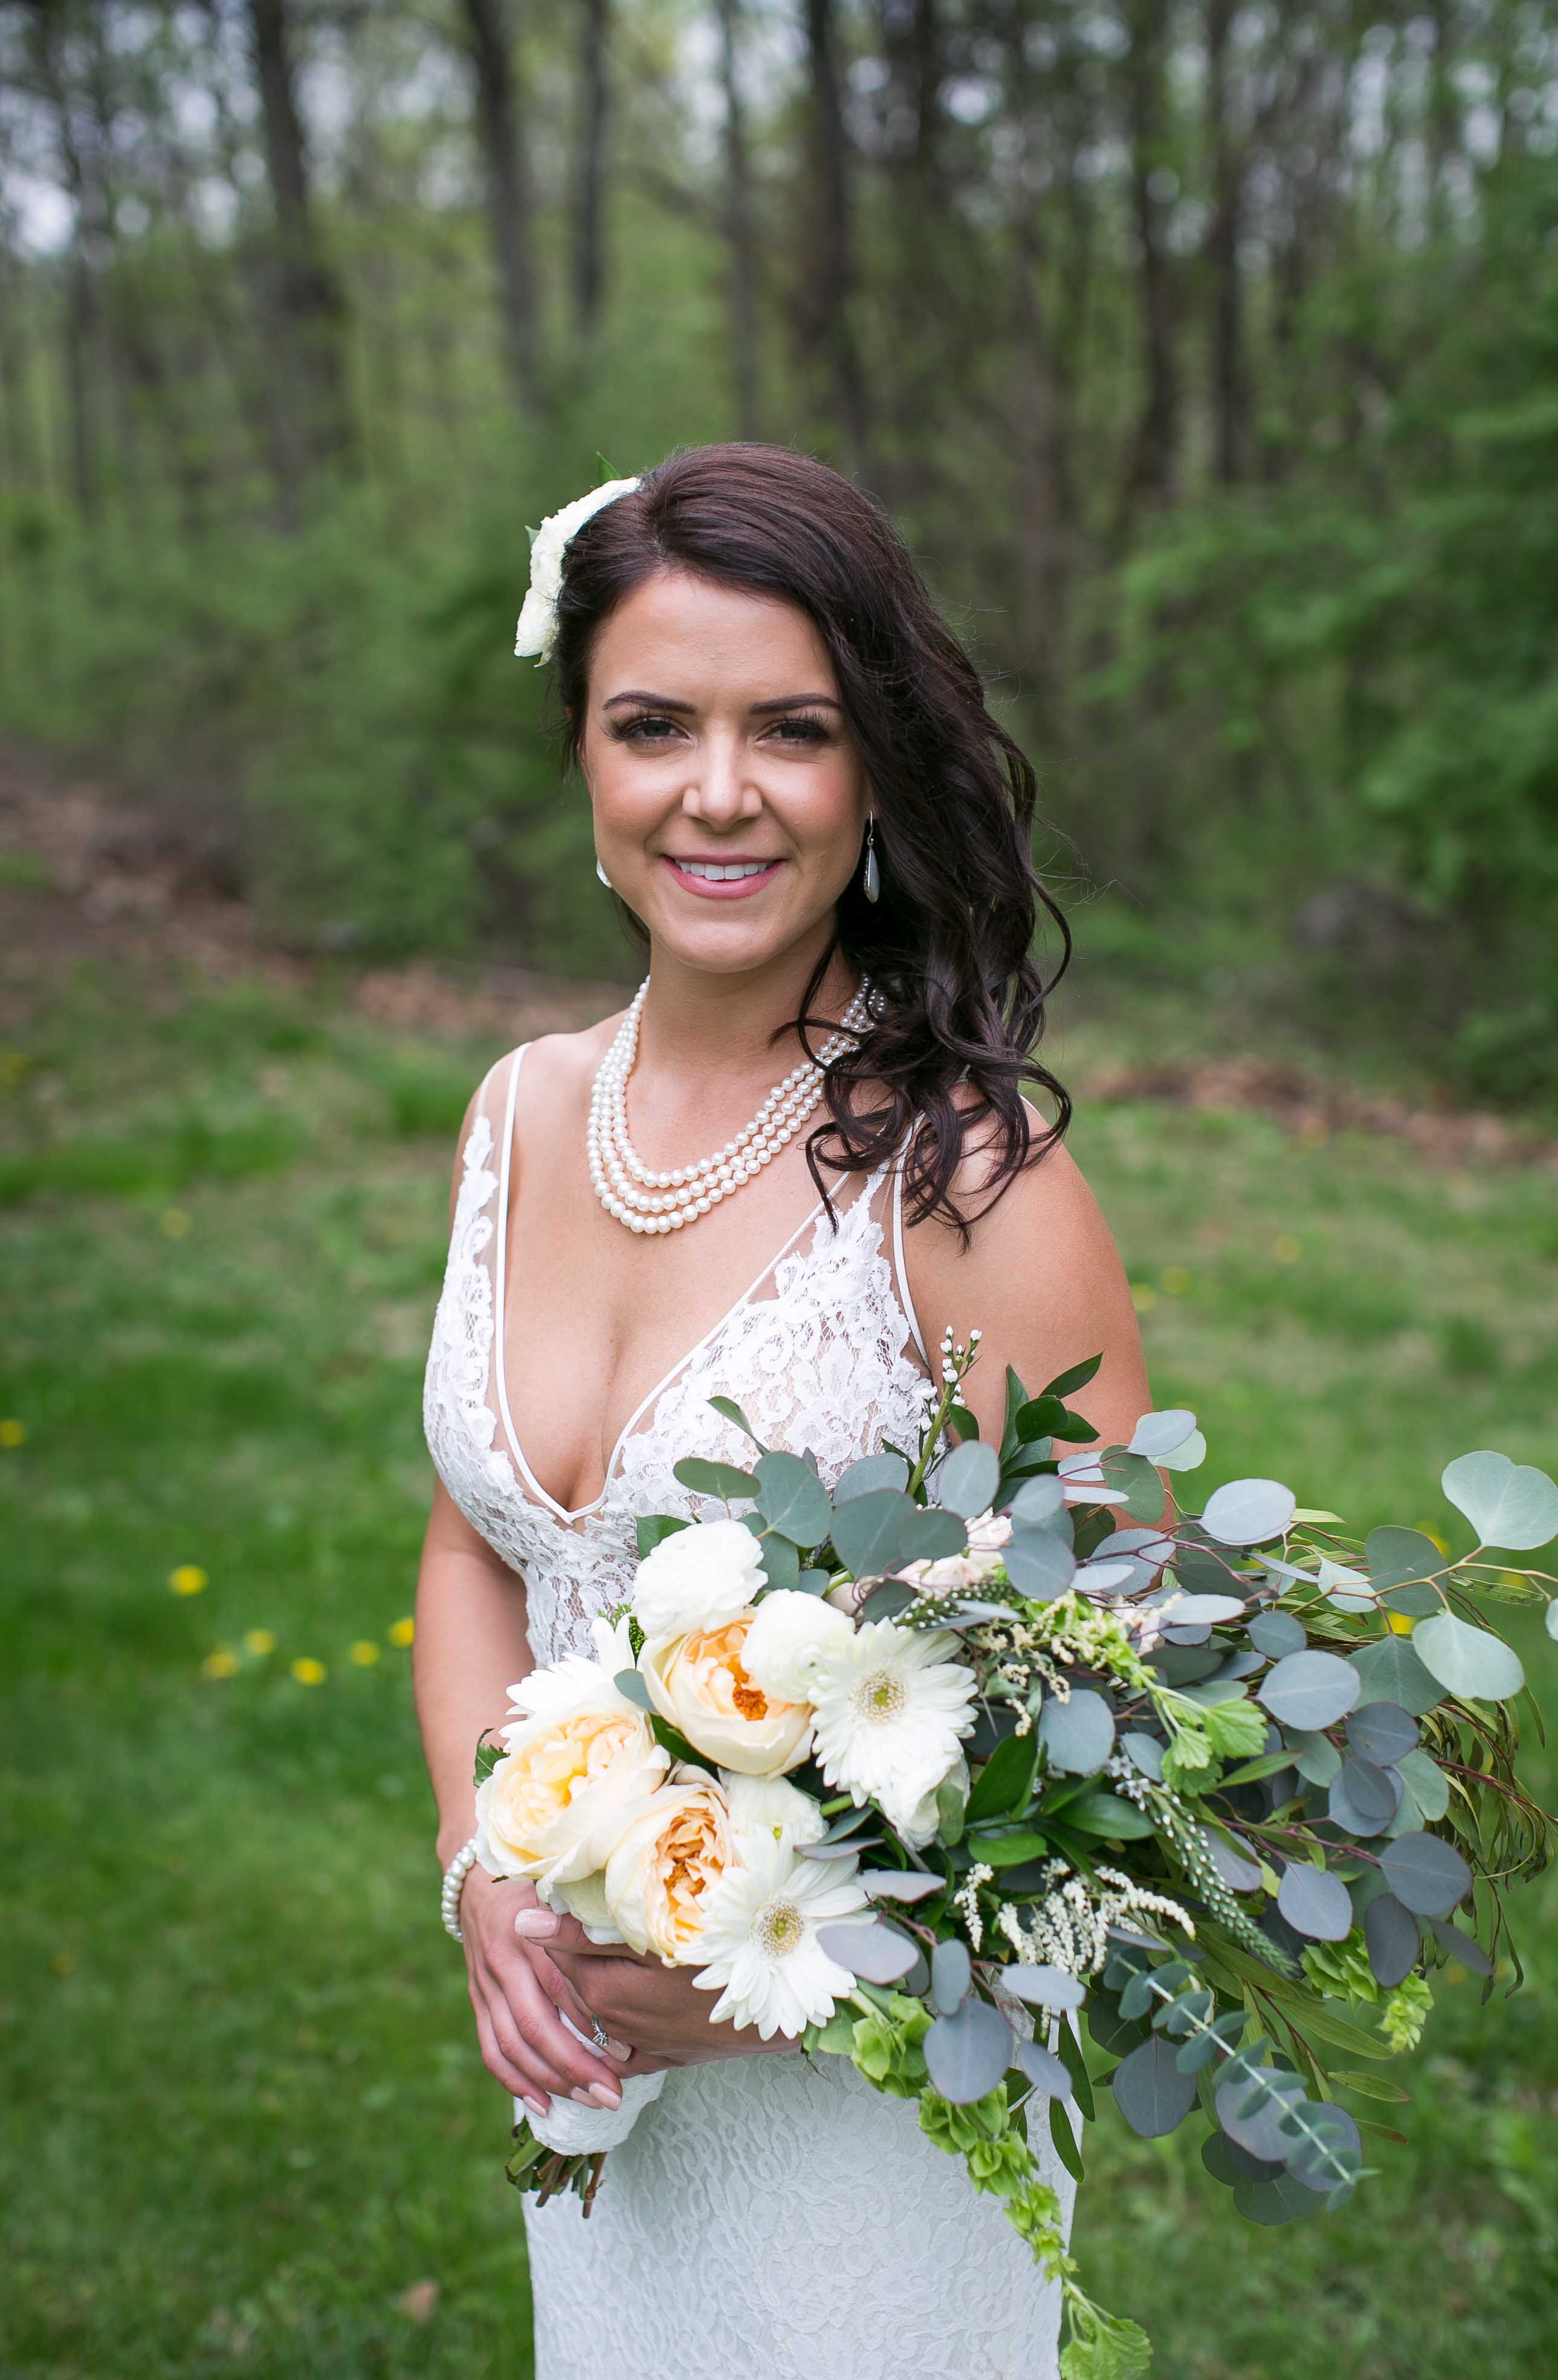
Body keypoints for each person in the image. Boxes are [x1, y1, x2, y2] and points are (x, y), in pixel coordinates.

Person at [413, 443, 1150, 2379]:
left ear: (875, 772)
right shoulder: (518, 1112)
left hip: (877, 2110)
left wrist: (798, 1967)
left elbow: (1124, 1695)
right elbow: (479, 1546)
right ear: (585, 756)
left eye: (793, 731)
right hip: (605, 2094)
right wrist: (484, 1866)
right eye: (654, 724)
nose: (718, 790)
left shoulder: (964, 1181)